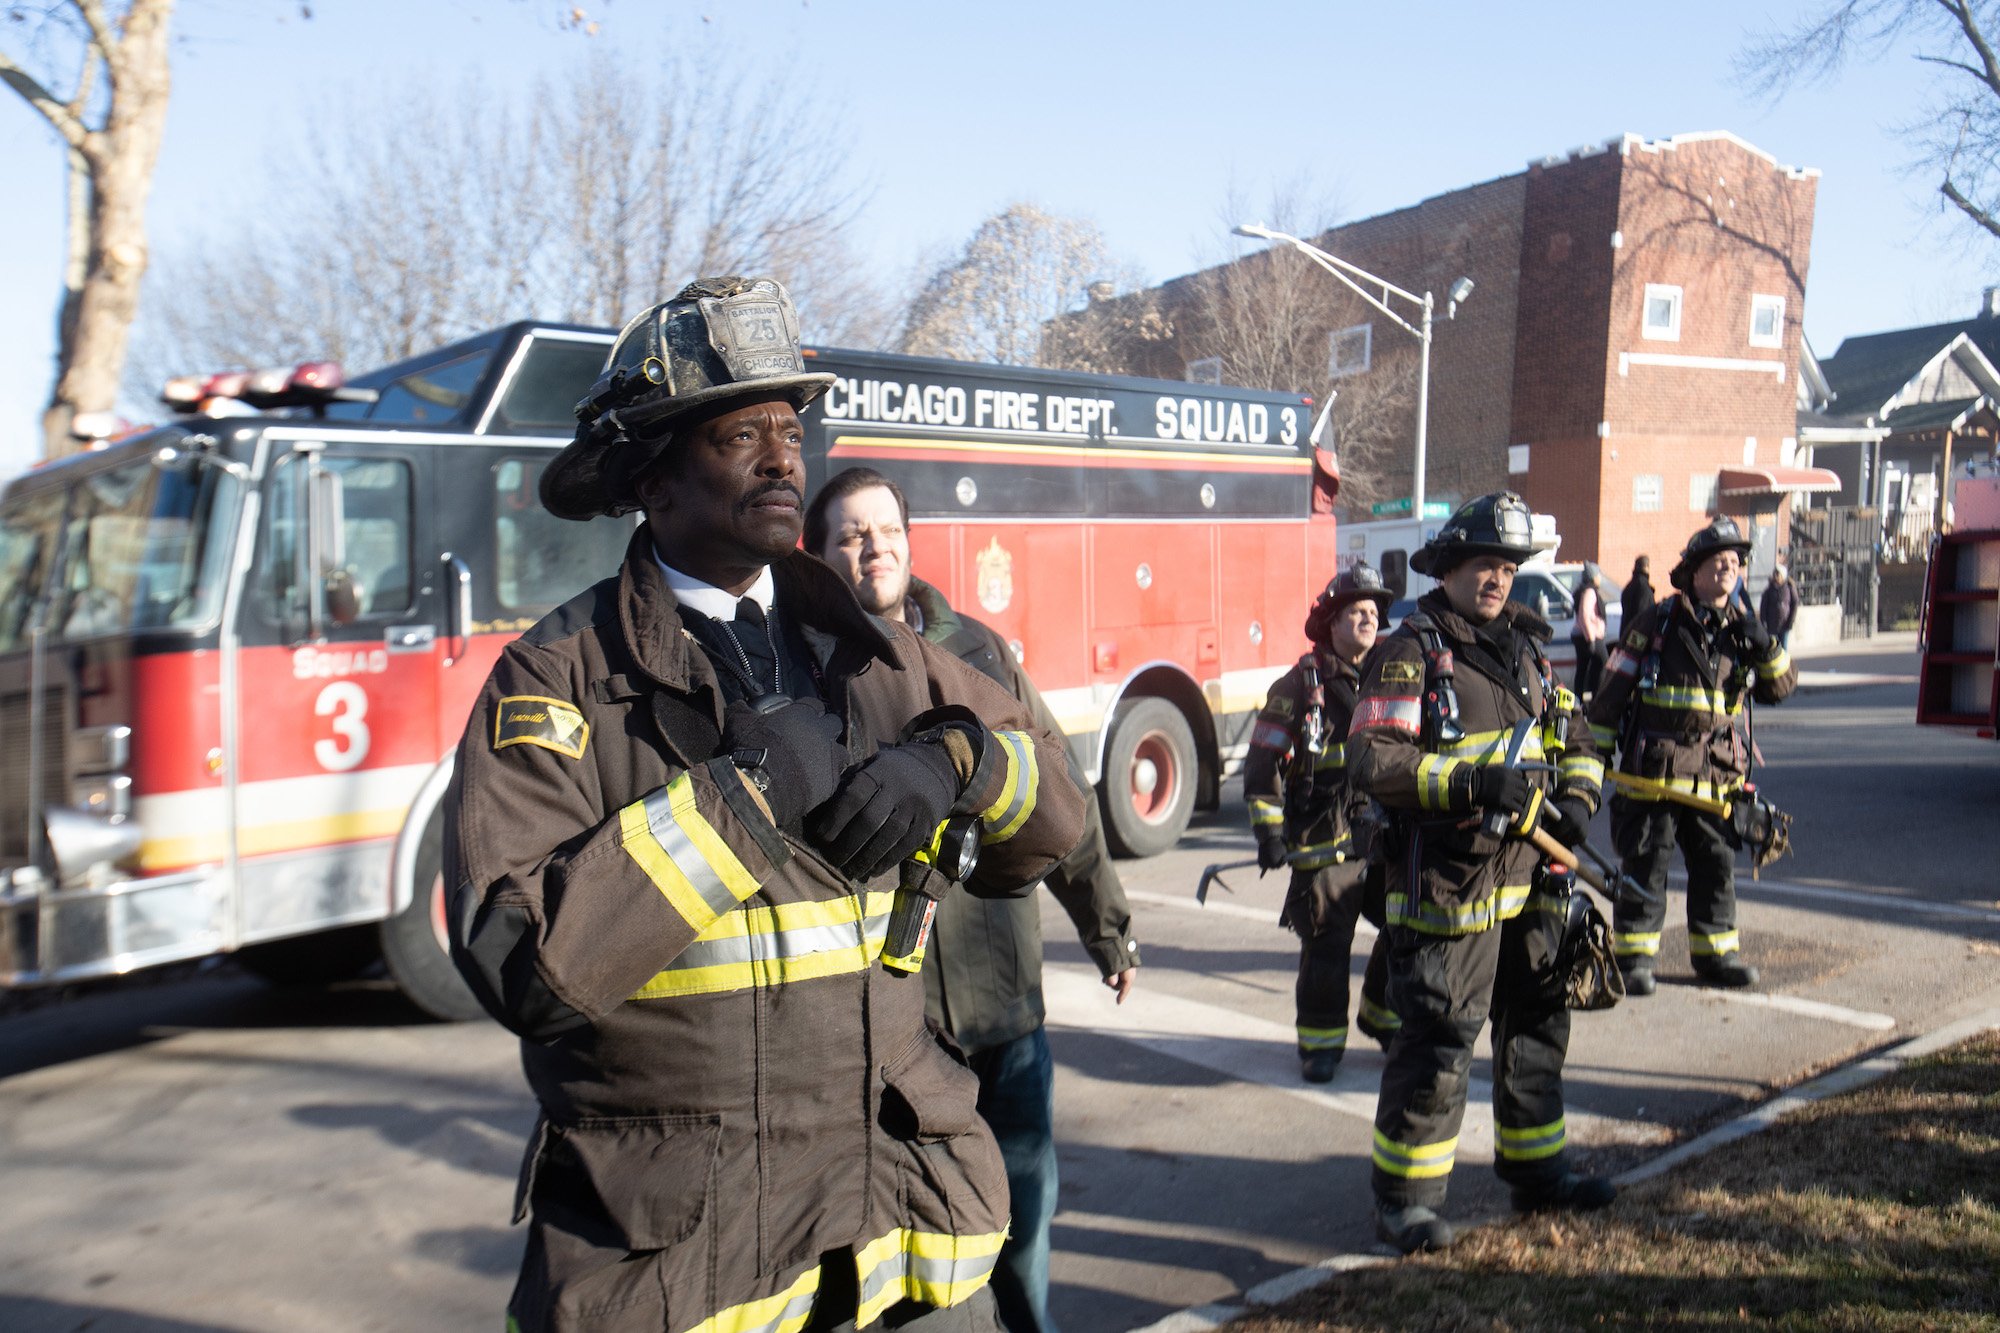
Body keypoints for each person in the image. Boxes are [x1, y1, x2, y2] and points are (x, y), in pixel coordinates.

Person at [444, 277, 1088, 1333]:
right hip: (688, 1271)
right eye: (739, 433)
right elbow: (519, 956)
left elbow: (1056, 807)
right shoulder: (555, 680)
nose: (784, 457)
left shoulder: (882, 655)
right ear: (652, 479)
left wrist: (958, 766)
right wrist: (742, 804)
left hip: (905, 1243)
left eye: (790, 431)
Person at [803, 466, 1139, 1333]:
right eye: (850, 533)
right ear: (816, 552)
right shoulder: (799, 671)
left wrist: (1109, 930)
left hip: (1000, 1003)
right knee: (915, 1242)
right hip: (887, 1023)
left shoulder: (980, 655)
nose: (872, 546)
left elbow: (1062, 798)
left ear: (911, 543)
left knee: (1026, 1208)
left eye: (886, 529)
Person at [1348, 491, 1611, 1255]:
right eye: (1481, 565)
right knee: (1440, 1040)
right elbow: (1372, 759)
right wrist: (1469, 785)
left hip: (1533, 881)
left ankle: (1539, 1172)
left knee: (1536, 1025)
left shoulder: (1529, 651)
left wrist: (1579, 799)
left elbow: (1578, 736)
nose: (1495, 579)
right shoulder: (1411, 650)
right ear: (1450, 567)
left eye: (1505, 566)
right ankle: (1404, 1202)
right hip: (1447, 889)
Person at [1587, 516, 1797, 996]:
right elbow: (1609, 696)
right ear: (1693, 573)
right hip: (1653, 779)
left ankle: (1717, 956)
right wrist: (1590, 768)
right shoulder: (1656, 623)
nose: (1728, 566)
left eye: (1735, 561)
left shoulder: (1744, 630)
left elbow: (1781, 688)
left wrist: (1766, 646)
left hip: (1716, 782)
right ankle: (1635, 958)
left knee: (1716, 869)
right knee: (1647, 866)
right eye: (1717, 559)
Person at [1243, 563, 1401, 1084]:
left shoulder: (1392, 676)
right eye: (1356, 611)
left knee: (1406, 927)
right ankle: (1321, 1047)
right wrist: (1268, 831)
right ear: (1330, 622)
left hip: (1382, 839)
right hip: (1323, 842)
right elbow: (1263, 762)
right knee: (1328, 950)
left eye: (1374, 613)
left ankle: (1383, 1018)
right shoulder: (1297, 686)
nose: (1368, 620)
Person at [1570, 562, 1608, 698]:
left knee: (1583, 667)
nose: (1600, 578)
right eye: (1598, 575)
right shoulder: (1590, 592)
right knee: (1603, 662)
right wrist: (1591, 639)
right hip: (1588, 636)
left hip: (1582, 635)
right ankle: (1597, 696)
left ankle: (1580, 698)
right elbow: (1584, 616)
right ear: (1593, 577)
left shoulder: (1585, 591)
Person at [1760, 562, 1799, 650]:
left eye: (1778, 574)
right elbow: (1763, 606)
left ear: (1783, 576)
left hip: (1784, 624)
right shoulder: (1769, 590)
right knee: (1773, 649)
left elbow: (1795, 603)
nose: (1776, 576)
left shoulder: (1789, 588)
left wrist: (1790, 621)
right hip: (1772, 626)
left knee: (1784, 648)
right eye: (1775, 573)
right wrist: (1764, 622)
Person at [1622, 555, 1655, 627]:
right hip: (1637, 633)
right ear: (1646, 567)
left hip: (1627, 630)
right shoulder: (1643, 587)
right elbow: (1642, 614)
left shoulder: (1630, 585)